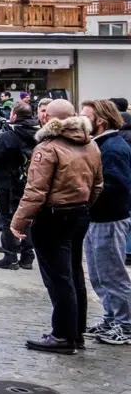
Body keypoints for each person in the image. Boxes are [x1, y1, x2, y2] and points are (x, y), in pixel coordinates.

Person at [11, 100, 103, 354]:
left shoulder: (48, 148)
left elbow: (35, 191)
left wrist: (19, 221)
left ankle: (62, 335)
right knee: (74, 273)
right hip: (79, 213)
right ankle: (76, 332)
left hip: (53, 217)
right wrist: (84, 205)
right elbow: (97, 185)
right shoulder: (91, 144)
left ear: (49, 119)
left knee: (58, 277)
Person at [82, 100, 131, 346]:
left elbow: (117, 186)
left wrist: (86, 192)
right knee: (99, 273)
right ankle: (112, 318)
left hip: (110, 218)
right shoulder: (101, 144)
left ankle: (126, 324)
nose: (81, 121)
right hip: (98, 217)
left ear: (100, 121)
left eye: (85, 116)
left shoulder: (113, 147)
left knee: (112, 274)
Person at [0, 102, 38, 269]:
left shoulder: (9, 136)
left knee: (8, 219)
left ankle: (10, 256)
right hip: (30, 182)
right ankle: (27, 256)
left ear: (14, 116)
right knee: (26, 219)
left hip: (7, 182)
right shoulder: (39, 134)